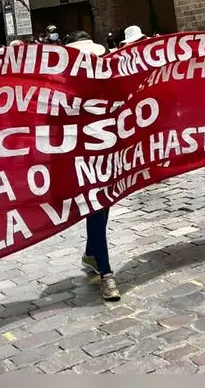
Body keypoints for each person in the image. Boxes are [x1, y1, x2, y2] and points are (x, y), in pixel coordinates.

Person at [66, 32, 121, 301]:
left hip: (106, 157)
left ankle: (91, 254)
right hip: (81, 160)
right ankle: (106, 272)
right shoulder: (63, 93)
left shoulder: (108, 86)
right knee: (97, 207)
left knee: (101, 207)